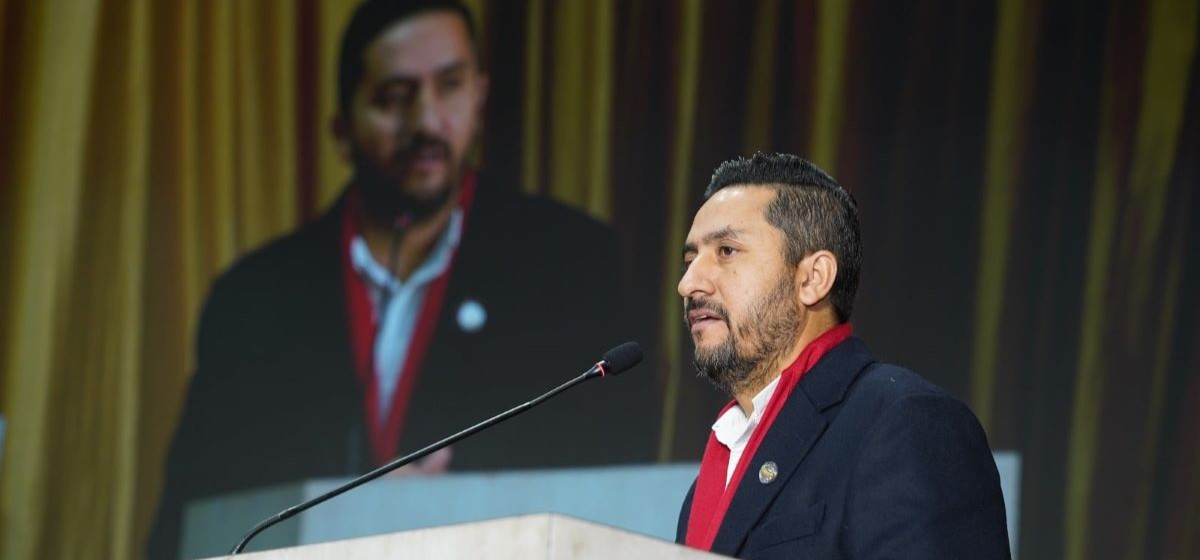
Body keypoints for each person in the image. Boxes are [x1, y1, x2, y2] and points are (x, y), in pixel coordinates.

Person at [148, 1, 655, 558]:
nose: (426, 122)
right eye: (394, 97)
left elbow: (617, 480)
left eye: (450, 86)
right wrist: (347, 512)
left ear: (480, 96)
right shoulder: (253, 298)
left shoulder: (568, 263)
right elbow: (192, 520)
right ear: (342, 128)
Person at [673, 153, 1009, 558]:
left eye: (726, 251)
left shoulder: (907, 423)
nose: (688, 283)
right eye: (690, 259)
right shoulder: (712, 478)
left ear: (813, 279)